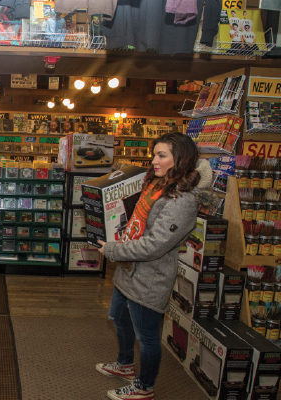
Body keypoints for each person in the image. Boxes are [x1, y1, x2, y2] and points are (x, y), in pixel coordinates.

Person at [94, 132, 213, 400]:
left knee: (147, 337)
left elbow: (155, 245)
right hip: (129, 268)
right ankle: (125, 365)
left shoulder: (182, 200)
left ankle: (144, 387)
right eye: (154, 154)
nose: (154, 160)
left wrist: (113, 250)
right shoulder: (158, 184)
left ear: (180, 159)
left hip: (150, 276)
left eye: (162, 155)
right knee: (117, 317)